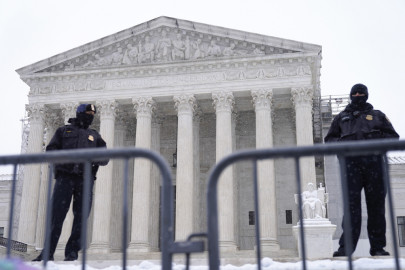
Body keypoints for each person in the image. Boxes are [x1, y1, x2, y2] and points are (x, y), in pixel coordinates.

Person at [324, 83, 399, 257]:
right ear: (351, 95)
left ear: (366, 95)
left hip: (375, 165)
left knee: (376, 208)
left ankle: (378, 247)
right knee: (351, 209)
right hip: (351, 166)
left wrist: (374, 139)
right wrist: (345, 145)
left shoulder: (377, 116)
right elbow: (330, 140)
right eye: (355, 93)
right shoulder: (341, 118)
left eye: (361, 93)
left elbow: (393, 137)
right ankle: (346, 248)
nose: (358, 95)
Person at [33, 104, 108, 261]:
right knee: (56, 217)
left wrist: (91, 158)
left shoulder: (94, 135)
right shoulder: (63, 131)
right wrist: (63, 161)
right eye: (88, 112)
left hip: (85, 180)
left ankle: (72, 253)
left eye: (93, 113)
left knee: (81, 218)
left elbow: (105, 157)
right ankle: (47, 253)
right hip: (65, 178)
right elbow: (51, 150)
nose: (91, 115)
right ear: (80, 113)